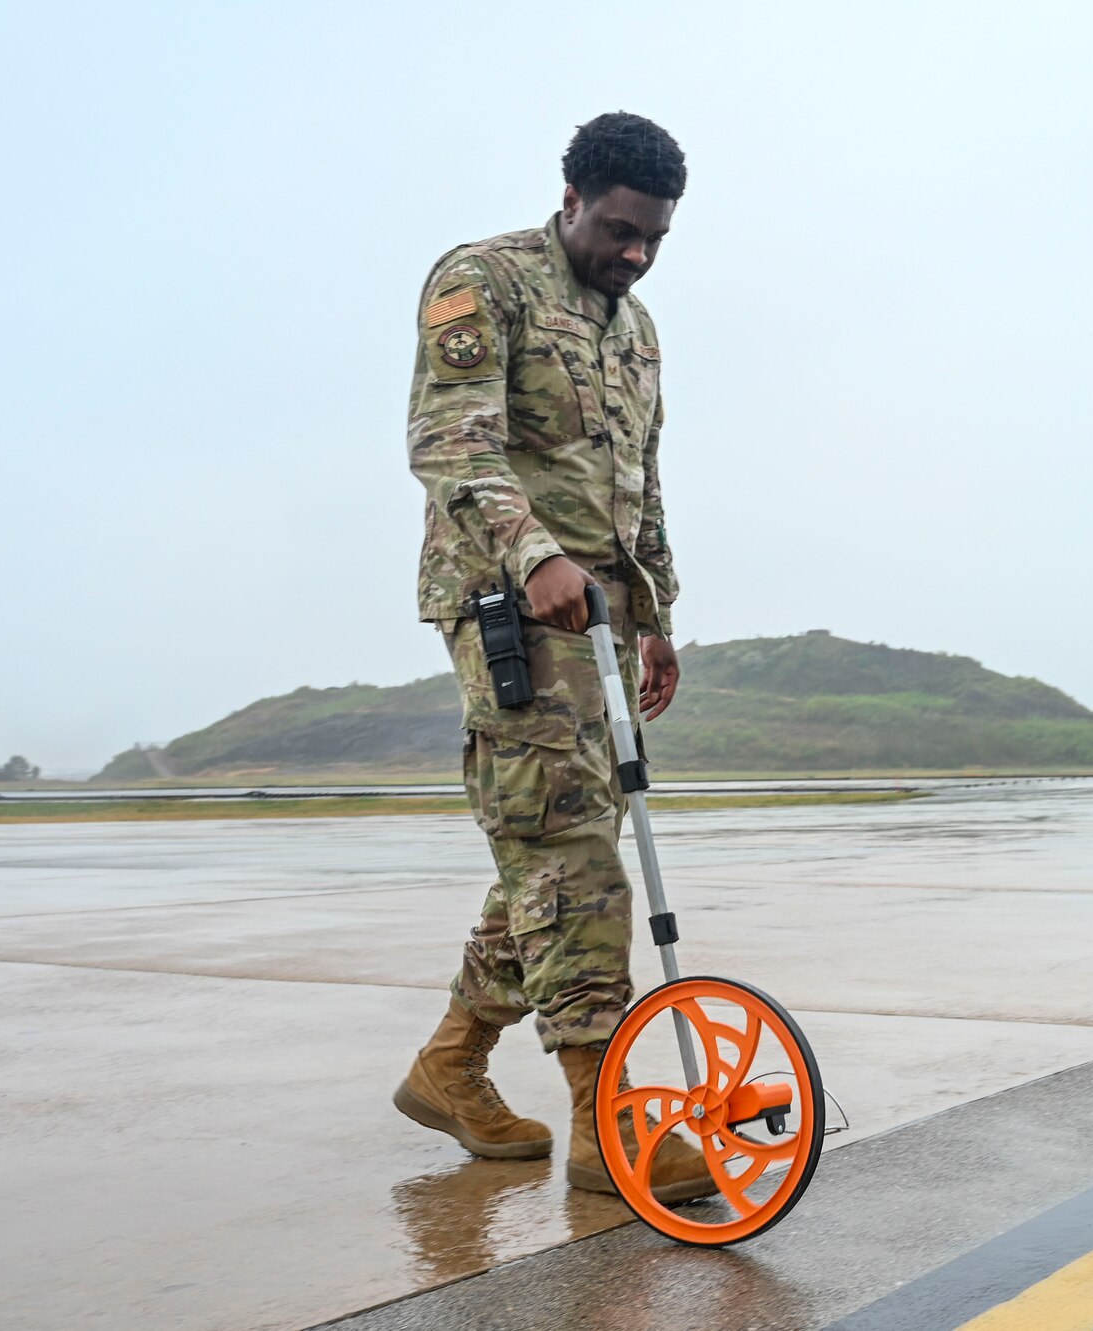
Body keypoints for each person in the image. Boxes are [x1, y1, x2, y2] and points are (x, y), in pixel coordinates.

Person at [393, 112, 713, 1204]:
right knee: (570, 852)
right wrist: (532, 555)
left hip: (604, 623)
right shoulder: (486, 280)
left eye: (655, 238)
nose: (635, 253)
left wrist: (655, 611)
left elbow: (642, 483)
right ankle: (608, 1119)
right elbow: (449, 441)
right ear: (571, 198)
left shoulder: (639, 330)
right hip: (506, 603)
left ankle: (449, 1064)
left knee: (547, 844)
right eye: (620, 229)